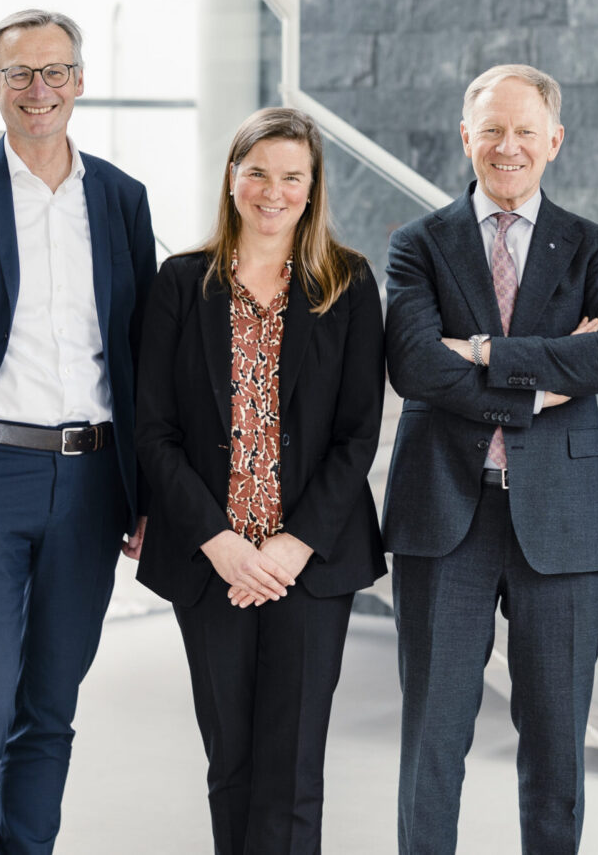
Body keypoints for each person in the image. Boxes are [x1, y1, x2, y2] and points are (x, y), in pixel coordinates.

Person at [0, 8, 157, 853]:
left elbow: (140, 352)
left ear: (81, 80)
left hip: (91, 479)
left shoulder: (121, 198)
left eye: (54, 72)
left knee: (49, 707)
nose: (38, 90)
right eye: (19, 74)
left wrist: (142, 488)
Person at [383, 63, 598, 853]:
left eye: (526, 129)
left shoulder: (594, 246)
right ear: (466, 137)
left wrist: (485, 351)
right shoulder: (419, 244)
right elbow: (417, 365)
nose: (508, 145)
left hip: (560, 520)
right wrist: (542, 378)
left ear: (554, 140)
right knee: (432, 740)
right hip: (443, 517)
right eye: (491, 129)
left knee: (557, 746)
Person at [135, 107, 386, 854]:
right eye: (257, 173)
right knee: (232, 764)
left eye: (291, 177)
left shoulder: (347, 282)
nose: (272, 191)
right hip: (209, 563)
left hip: (309, 566)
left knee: (294, 768)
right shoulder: (181, 283)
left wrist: (288, 546)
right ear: (232, 179)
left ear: (311, 190)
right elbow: (155, 431)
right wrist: (220, 542)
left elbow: (357, 434)